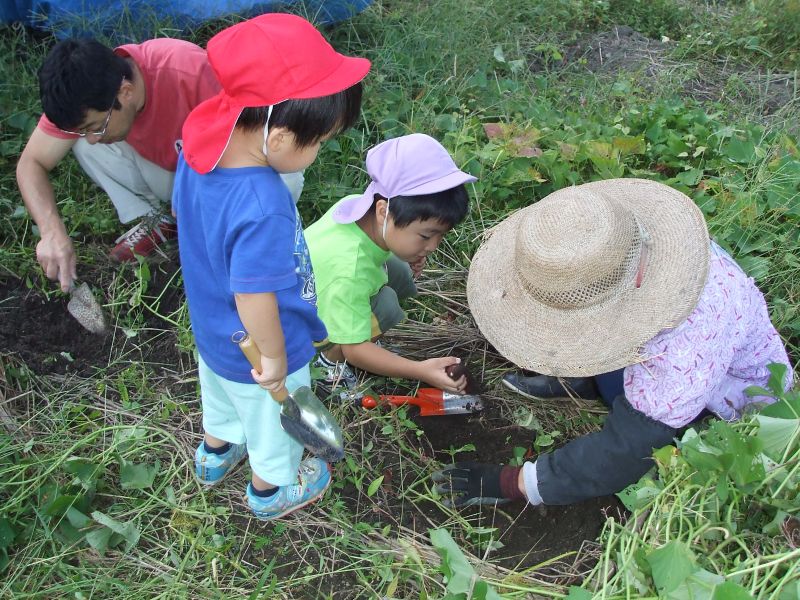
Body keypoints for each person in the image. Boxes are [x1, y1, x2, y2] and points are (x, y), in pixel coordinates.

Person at [433, 178, 793, 507]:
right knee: (609, 373)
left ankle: (616, 395)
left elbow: (626, 450)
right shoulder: (636, 245)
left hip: (730, 409)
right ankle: (591, 381)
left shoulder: (684, 340)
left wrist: (514, 482)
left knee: (664, 455)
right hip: (677, 364)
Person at [173, 14, 369, 520]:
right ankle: (270, 490)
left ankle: (215, 456)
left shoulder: (200, 140)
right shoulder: (263, 204)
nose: (320, 151)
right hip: (260, 346)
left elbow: (183, 213)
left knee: (218, 397)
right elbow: (255, 296)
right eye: (320, 141)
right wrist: (276, 361)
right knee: (271, 423)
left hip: (213, 331)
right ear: (279, 138)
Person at [17, 34, 305, 292]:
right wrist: (51, 230)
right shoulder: (83, 95)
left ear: (125, 92)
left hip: (228, 166)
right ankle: (159, 221)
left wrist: (200, 204)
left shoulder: (187, 71)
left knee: (283, 181)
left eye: (97, 126)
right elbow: (31, 163)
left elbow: (256, 141)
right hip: (171, 169)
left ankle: (239, 240)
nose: (93, 137)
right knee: (81, 144)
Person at [305, 134, 475, 398]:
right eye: (426, 236)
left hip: (316, 294)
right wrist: (420, 370)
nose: (433, 246)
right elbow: (355, 348)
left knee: (399, 272)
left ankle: (360, 335)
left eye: (440, 236)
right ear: (383, 211)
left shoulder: (359, 208)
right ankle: (328, 365)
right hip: (300, 333)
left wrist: (412, 249)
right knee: (385, 305)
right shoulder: (348, 271)